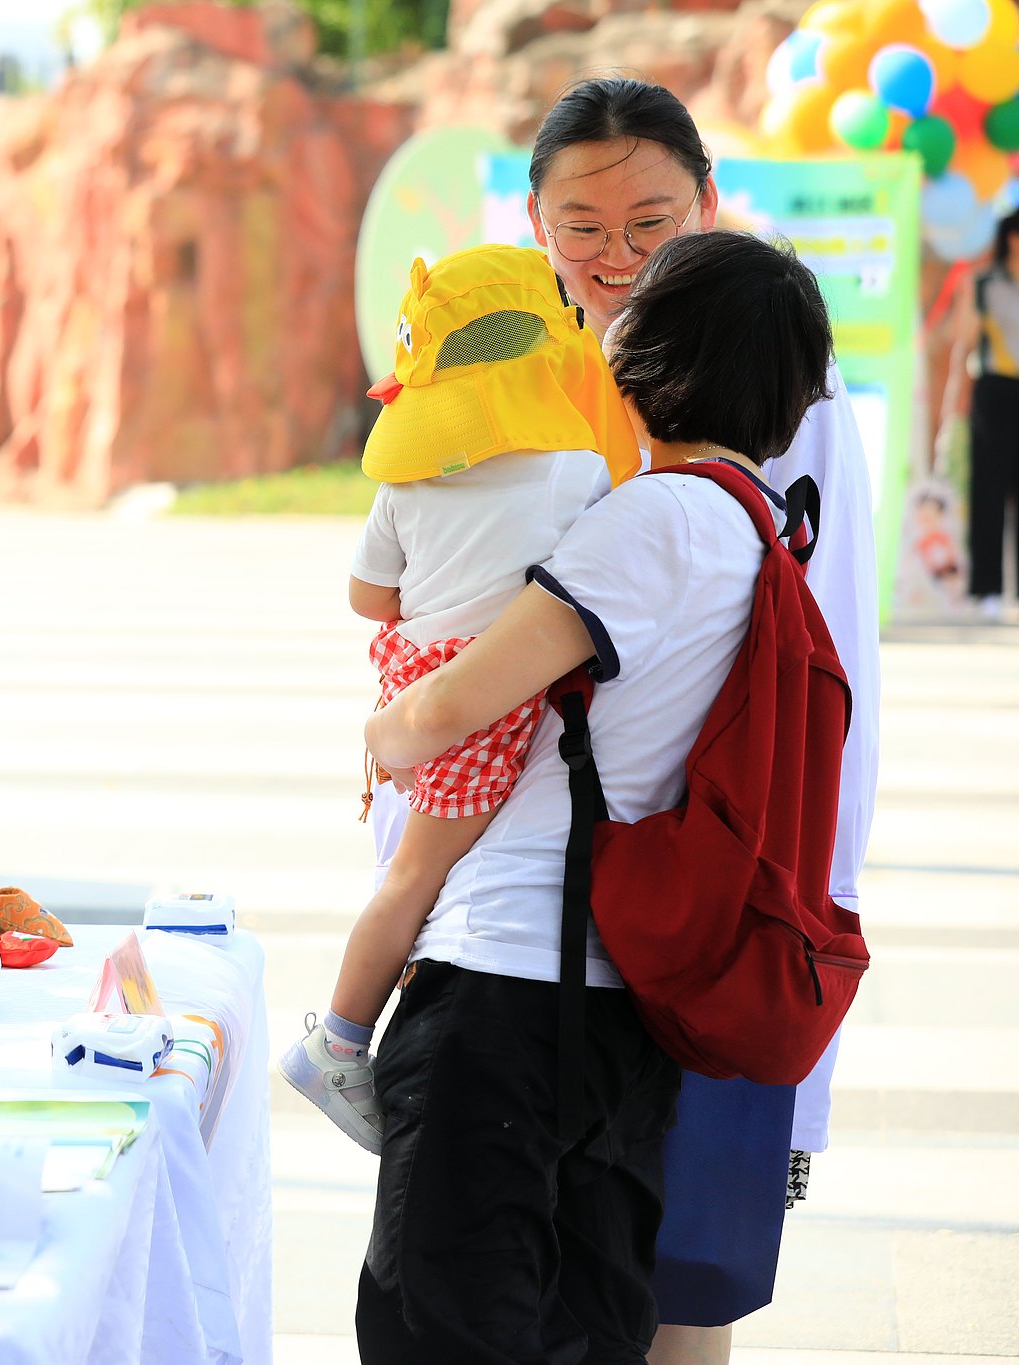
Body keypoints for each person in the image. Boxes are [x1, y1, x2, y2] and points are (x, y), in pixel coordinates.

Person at [358, 76, 882, 1362]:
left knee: (668, 1283)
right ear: (531, 223)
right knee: (597, 1289)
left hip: (674, 918)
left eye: (649, 222)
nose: (613, 259)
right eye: (579, 226)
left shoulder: (766, 403)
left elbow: (827, 686)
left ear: (706, 207)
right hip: (510, 898)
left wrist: (794, 902)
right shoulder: (492, 368)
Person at [282, 243, 638, 1153]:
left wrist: (435, 585)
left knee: (403, 863)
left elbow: (368, 599)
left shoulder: (407, 478)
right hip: (487, 702)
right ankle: (338, 1039)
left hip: (416, 675)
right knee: (416, 881)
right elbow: (594, 577)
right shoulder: (576, 470)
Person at [941, 206, 1019, 620]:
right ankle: (987, 589)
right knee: (988, 491)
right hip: (997, 390)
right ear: (1011, 238)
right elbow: (964, 346)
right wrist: (956, 398)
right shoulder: (984, 284)